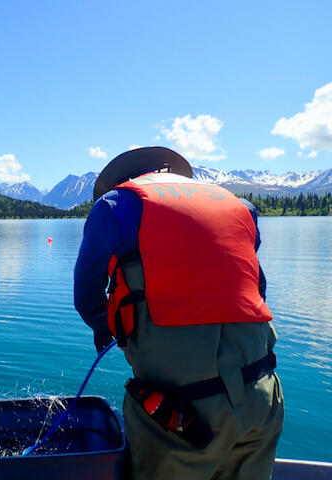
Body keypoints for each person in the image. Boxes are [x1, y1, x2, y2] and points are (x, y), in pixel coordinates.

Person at [74, 147, 284, 480]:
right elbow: (255, 291)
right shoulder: (240, 207)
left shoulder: (114, 206)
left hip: (181, 415)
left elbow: (87, 299)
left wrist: (112, 331)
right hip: (262, 395)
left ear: (123, 181)